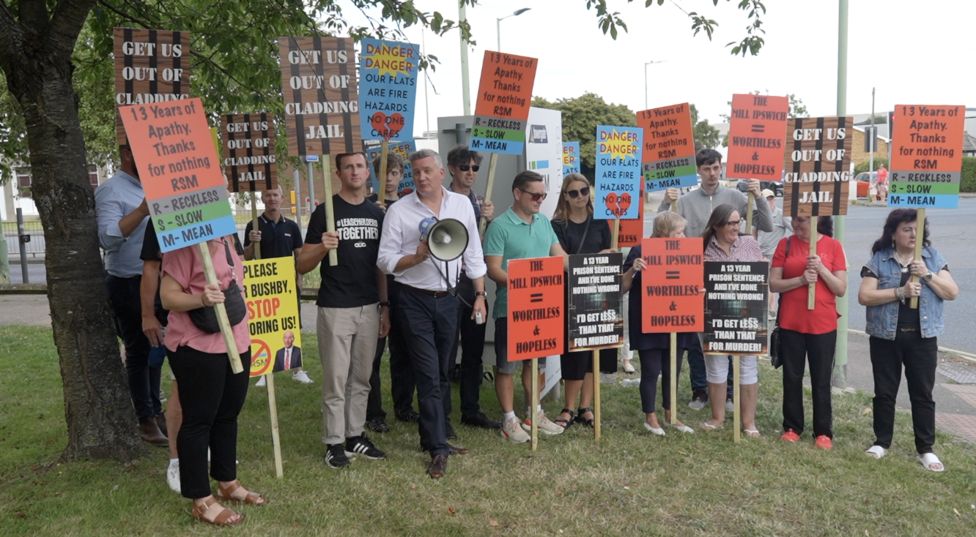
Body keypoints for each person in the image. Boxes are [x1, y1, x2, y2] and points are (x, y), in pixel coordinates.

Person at [377, 149, 487, 479]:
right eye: (417, 172)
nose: (422, 177)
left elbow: (473, 252)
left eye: (427, 171)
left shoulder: (461, 204)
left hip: (449, 298)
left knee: (441, 370)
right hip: (413, 299)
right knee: (426, 372)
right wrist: (417, 257)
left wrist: (480, 294)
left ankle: (431, 434)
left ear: (441, 172)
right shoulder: (399, 211)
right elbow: (385, 261)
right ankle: (438, 448)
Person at [160, 235, 265, 526]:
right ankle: (201, 499)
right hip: (197, 346)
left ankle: (227, 482)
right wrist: (201, 298)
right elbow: (167, 296)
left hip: (237, 340)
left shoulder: (230, 239)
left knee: (228, 414)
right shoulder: (183, 245)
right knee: (199, 420)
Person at [659, 148, 772, 411]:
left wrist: (757, 195)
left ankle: (729, 393)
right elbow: (663, 229)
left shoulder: (734, 196)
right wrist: (666, 202)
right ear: (698, 171)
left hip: (733, 277)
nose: (711, 174)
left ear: (721, 168)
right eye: (706, 169)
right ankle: (700, 390)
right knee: (700, 338)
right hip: (697, 274)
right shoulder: (685, 201)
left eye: (716, 168)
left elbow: (765, 224)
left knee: (732, 333)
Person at [298, 152, 390, 469]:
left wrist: (385, 305)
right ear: (338, 172)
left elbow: (382, 266)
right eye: (348, 166)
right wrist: (323, 246)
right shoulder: (325, 212)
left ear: (368, 173)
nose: (354, 171)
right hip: (336, 305)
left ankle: (354, 435)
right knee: (336, 379)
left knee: (362, 378)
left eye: (360, 166)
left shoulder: (377, 214)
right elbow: (301, 263)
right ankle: (334, 442)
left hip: (369, 305)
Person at [858, 209, 958, 472]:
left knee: (923, 394)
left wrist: (927, 274)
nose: (913, 233)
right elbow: (865, 296)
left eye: (917, 228)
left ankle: (925, 448)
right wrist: (899, 291)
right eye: (906, 229)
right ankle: (881, 442)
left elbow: (952, 292)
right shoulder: (880, 260)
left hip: (922, 338)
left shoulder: (932, 258)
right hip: (886, 337)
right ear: (893, 234)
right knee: (885, 392)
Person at [484, 170, 569, 443]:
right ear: (517, 193)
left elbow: (562, 259)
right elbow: (493, 269)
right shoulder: (499, 226)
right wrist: (523, 284)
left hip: (543, 309)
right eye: (535, 195)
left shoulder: (544, 222)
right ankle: (509, 419)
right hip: (510, 308)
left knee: (538, 365)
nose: (540, 200)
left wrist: (593, 263)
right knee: (507, 366)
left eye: (543, 195)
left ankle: (535, 412)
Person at [94, 144, 166, 445]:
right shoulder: (111, 191)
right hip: (128, 283)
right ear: (126, 155)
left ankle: (155, 407)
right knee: (138, 351)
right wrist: (141, 211)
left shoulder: (156, 185)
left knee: (158, 348)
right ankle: (144, 419)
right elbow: (107, 238)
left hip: (160, 280)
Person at [770, 215, 847, 449]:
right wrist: (801, 280)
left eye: (802, 220)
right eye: (794, 220)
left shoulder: (833, 246)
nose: (796, 224)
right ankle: (792, 426)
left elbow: (840, 288)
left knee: (821, 379)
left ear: (816, 221)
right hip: (791, 322)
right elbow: (774, 283)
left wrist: (822, 269)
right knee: (792, 377)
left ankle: (823, 431)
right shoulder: (786, 244)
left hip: (822, 324)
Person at [621, 211, 696, 435]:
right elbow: (622, 287)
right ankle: (650, 415)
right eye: (678, 233)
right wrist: (633, 269)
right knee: (651, 370)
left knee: (672, 369)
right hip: (649, 321)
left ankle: (670, 413)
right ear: (663, 233)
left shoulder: (686, 252)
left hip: (677, 319)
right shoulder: (640, 251)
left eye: (683, 232)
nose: (682, 238)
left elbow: (692, 280)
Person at [549, 173, 613, 429]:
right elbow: (561, 261)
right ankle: (569, 407)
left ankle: (586, 407)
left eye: (584, 191)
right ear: (565, 196)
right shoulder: (557, 226)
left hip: (599, 293)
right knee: (574, 353)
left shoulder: (601, 222)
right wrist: (596, 258)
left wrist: (605, 256)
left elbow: (609, 253)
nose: (579, 197)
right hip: (570, 295)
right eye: (573, 192)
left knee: (593, 351)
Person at [446, 145, 500, 430]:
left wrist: (488, 219)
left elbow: (483, 246)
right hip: (447, 284)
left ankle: (471, 409)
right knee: (446, 350)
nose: (470, 173)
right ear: (452, 169)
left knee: (474, 351)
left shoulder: (480, 202)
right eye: (465, 167)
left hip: (474, 286)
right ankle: (442, 414)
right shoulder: (442, 200)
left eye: (475, 168)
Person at [365, 152, 419, 433]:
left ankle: (404, 405)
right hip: (377, 286)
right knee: (373, 353)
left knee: (405, 351)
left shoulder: (409, 206)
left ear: (401, 176)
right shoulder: (369, 206)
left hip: (406, 285)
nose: (388, 179)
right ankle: (374, 411)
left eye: (394, 173)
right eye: (384, 173)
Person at [700, 204, 765, 436]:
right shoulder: (703, 248)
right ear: (717, 225)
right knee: (716, 367)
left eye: (738, 222)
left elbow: (762, 278)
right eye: (731, 223)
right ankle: (717, 417)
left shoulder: (750, 243)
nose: (736, 227)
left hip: (747, 317)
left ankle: (748, 422)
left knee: (748, 367)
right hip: (715, 318)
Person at [243, 185, 311, 386]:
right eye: (268, 195)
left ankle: (297, 369)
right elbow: (245, 258)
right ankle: (265, 372)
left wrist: (298, 280)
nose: (272, 198)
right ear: (262, 198)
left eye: (275, 195)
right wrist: (251, 243)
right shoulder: (253, 225)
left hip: (286, 285)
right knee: (265, 326)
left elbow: (299, 257)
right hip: (263, 286)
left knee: (292, 326)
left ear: (282, 198)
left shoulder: (291, 227)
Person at [758, 189, 792, 319]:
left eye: (771, 198)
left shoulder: (781, 215)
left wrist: (788, 246)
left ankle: (770, 310)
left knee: (769, 282)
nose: (769, 201)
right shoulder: (759, 214)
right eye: (766, 199)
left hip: (774, 254)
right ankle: (767, 310)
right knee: (762, 283)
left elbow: (795, 229)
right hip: (760, 254)